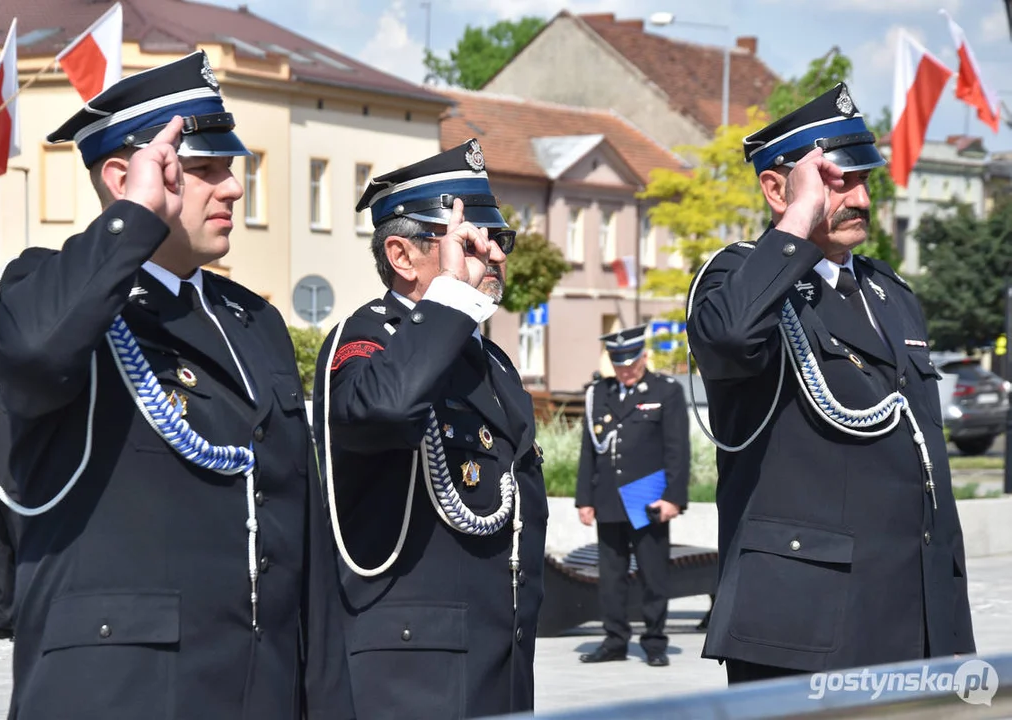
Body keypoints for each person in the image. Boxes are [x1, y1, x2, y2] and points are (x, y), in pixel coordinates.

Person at [0, 51, 352, 719]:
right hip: (122, 693)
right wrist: (135, 219)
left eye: (229, 169)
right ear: (127, 177)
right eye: (204, 170)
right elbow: (34, 351)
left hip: (258, 692)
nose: (233, 188)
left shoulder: (252, 319)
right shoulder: (47, 287)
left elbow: (303, 540)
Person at [687, 83, 976, 683]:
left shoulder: (891, 294)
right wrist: (798, 218)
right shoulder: (739, 279)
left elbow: (932, 478)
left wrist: (951, 632)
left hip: (909, 620)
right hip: (803, 625)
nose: (861, 199)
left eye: (864, 180)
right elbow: (732, 339)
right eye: (837, 181)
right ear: (775, 187)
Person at [312, 139, 549, 720]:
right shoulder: (368, 337)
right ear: (402, 255)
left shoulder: (490, 362)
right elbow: (382, 409)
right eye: (470, 242)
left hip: (496, 663)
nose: (494, 256)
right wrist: (448, 299)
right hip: (410, 671)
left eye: (500, 241)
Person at [575, 327, 690, 667]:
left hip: (648, 496)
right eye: (618, 363)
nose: (625, 369)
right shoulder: (600, 393)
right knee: (611, 577)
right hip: (609, 497)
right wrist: (585, 498)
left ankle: (654, 641)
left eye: (630, 362)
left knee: (654, 574)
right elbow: (588, 452)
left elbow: (677, 450)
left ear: (643, 357)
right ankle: (614, 640)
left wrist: (673, 497)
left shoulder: (665, 391)